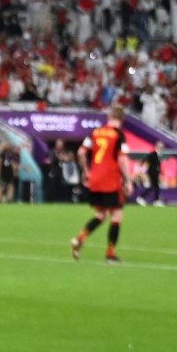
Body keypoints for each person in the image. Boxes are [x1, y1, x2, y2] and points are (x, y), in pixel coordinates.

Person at [72, 107, 127, 264]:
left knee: (101, 215)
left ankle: (79, 239)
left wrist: (86, 171)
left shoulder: (95, 132)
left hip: (95, 179)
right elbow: (122, 159)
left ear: (109, 117)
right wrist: (128, 180)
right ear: (121, 119)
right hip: (111, 179)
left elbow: (81, 152)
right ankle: (110, 254)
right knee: (117, 215)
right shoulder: (118, 135)